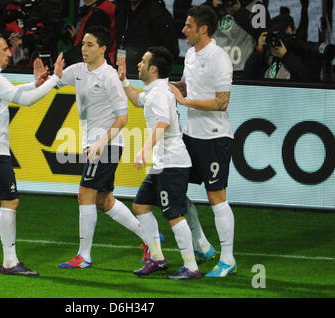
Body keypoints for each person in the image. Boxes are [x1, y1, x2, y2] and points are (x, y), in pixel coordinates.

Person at [0, 32, 64, 276]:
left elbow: (9, 92)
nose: (9, 53)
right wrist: (55, 80)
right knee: (10, 202)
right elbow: (27, 101)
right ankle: (10, 261)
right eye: (4, 49)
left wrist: (36, 83)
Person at [54, 26, 150, 269]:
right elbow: (53, 83)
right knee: (103, 200)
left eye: (89, 45)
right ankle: (150, 238)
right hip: (95, 144)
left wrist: (100, 142)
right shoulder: (77, 70)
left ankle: (83, 255)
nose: (83, 49)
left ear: (103, 49)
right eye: (83, 44)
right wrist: (46, 78)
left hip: (107, 144)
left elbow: (123, 118)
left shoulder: (109, 77)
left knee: (84, 193)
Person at [118, 47, 201, 280]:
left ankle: (191, 267)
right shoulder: (155, 90)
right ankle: (157, 258)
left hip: (171, 163)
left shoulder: (160, 94)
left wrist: (144, 149)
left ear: (153, 69)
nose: (138, 64)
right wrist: (124, 81)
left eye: (143, 61)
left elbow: (163, 122)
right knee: (141, 205)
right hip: (162, 163)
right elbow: (136, 100)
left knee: (173, 215)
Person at [169, 4, 236, 278]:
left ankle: (228, 259)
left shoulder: (219, 58)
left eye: (188, 26)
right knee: (175, 189)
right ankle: (204, 246)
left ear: (203, 29)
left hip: (214, 138)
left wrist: (186, 101)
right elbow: (187, 86)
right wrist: (167, 87)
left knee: (216, 198)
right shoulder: (191, 55)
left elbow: (222, 102)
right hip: (190, 135)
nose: (184, 30)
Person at [243, 6, 323, 82]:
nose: (279, 39)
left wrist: (286, 56)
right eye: (276, 36)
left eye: (283, 34)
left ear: (294, 30)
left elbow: (310, 78)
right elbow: (248, 74)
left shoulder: (304, 52)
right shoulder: (268, 55)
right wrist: (259, 50)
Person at [115, 0, 179, 76]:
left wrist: (153, 69)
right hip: (124, 70)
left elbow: (171, 49)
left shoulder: (157, 12)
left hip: (148, 76)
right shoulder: (121, 7)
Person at [63, 0, 117, 67]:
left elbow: (92, 45)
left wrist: (64, 58)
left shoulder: (101, 11)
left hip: (94, 66)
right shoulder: (96, 8)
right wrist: (75, 38)